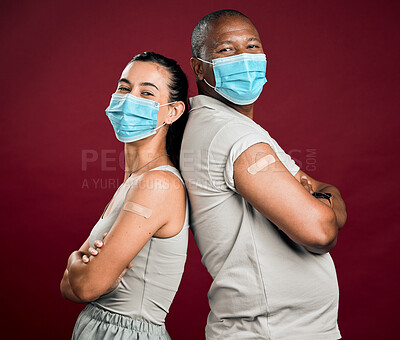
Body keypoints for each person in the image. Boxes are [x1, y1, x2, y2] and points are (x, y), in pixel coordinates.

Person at [180, 10, 347, 339]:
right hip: (272, 331)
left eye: (253, 46)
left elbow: (314, 188)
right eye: (226, 50)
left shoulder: (227, 126)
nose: (244, 58)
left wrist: (318, 196)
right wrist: (327, 199)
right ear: (198, 67)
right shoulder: (233, 136)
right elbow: (320, 230)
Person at [60, 52, 190, 340]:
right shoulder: (134, 182)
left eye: (146, 93)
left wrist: (75, 261)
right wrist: (78, 265)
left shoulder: (159, 184)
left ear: (173, 111)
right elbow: (67, 288)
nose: (130, 99)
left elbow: (83, 287)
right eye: (124, 88)